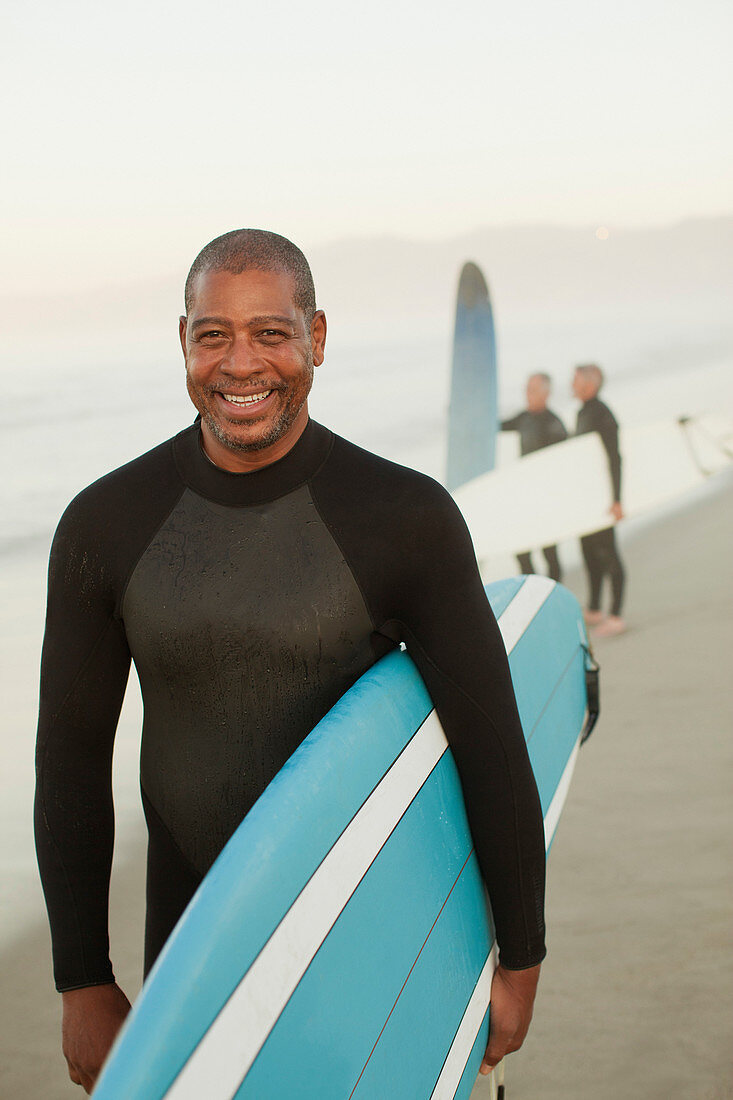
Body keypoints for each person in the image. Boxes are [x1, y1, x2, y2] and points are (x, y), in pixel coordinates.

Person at [35, 229, 546, 1094]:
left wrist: (519, 958)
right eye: (213, 334)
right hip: (194, 952)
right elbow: (73, 761)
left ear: (316, 336)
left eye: (270, 333)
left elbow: (490, 747)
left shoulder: (404, 516)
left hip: (373, 936)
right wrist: (83, 979)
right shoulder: (106, 523)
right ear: (184, 341)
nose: (241, 364)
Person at [572, 363, 626, 636]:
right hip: (588, 498)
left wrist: (616, 500)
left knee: (608, 555)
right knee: (589, 554)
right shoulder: (584, 411)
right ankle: (594, 609)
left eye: (576, 380)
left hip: (603, 498)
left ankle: (616, 615)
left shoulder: (602, 414)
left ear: (589, 385)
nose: (572, 384)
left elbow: (615, 458)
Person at [501, 372, 567, 581]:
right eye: (526, 389)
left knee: (549, 551)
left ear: (545, 394)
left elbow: (563, 465)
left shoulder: (554, 425)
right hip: (525, 495)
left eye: (532, 390)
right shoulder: (524, 418)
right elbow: (497, 426)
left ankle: (553, 591)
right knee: (521, 549)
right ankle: (533, 588)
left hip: (546, 497)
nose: (526, 394)